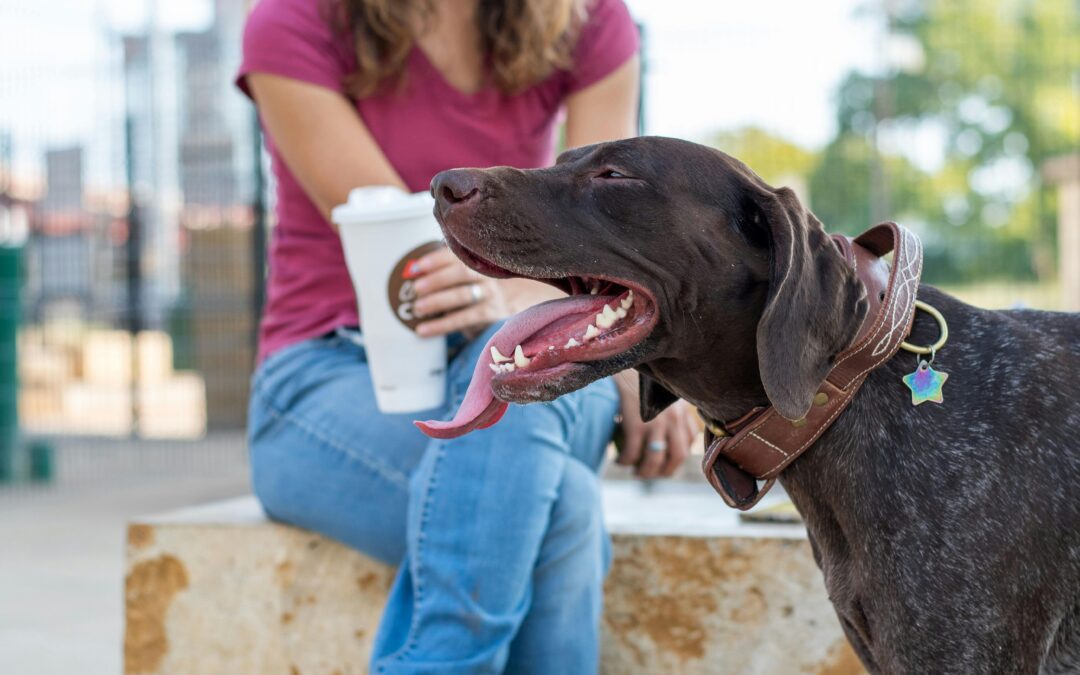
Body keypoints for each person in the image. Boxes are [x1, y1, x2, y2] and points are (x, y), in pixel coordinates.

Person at [237, 0, 697, 671]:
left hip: (540, 351)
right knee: (561, 509)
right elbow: (409, 255)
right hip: (327, 375)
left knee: (508, 384)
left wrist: (634, 354)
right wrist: (543, 301)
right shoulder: (292, 18)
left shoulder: (590, 20)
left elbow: (608, 247)